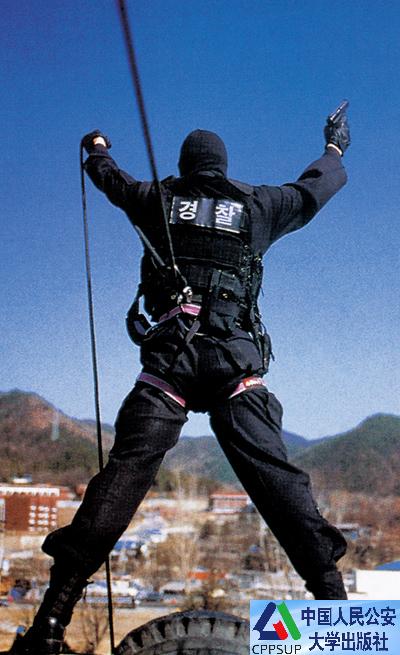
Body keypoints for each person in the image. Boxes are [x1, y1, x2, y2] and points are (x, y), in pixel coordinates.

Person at [11, 112, 350, 654]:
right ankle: (337, 615)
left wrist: (97, 146)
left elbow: (110, 178)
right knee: (278, 479)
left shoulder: (158, 200)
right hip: (233, 365)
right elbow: (318, 186)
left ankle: (50, 624)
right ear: (223, 167)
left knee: (122, 477)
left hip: (169, 365)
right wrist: (334, 148)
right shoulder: (260, 205)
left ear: (184, 165)